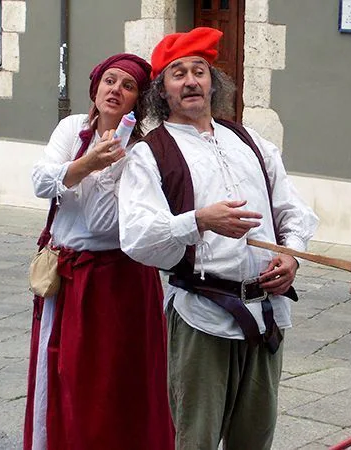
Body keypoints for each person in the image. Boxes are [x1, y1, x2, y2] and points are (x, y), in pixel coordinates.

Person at [118, 27, 318, 450]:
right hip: (201, 314)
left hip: (266, 311)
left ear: (213, 82)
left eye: (199, 71)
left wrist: (292, 255)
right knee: (197, 440)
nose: (191, 81)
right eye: (178, 73)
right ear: (162, 89)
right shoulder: (150, 153)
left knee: (255, 438)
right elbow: (137, 236)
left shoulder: (250, 142)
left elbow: (292, 210)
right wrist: (199, 221)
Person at [25, 53, 174, 450]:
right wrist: (88, 163)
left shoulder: (142, 152)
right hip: (67, 275)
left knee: (110, 383)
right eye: (110, 81)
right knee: (61, 374)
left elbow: (105, 224)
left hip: (117, 280)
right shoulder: (73, 130)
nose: (116, 90)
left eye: (128, 87)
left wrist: (112, 165)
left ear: (137, 101)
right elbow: (41, 181)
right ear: (96, 88)